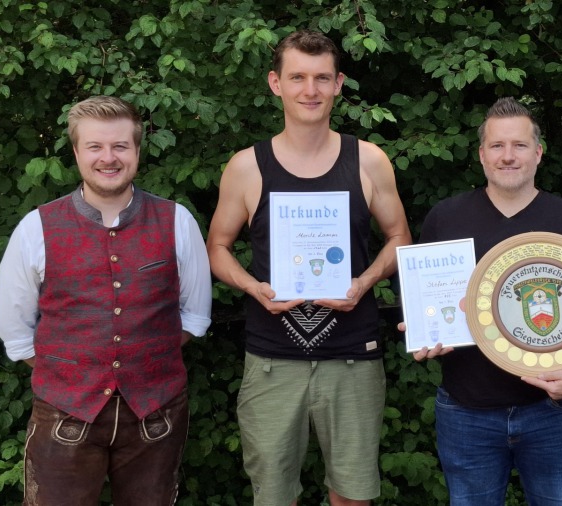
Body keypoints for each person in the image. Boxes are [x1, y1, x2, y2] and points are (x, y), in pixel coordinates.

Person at [206, 30, 411, 506]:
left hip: (353, 356)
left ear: (339, 84)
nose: (310, 90)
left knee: (353, 495)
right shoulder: (246, 167)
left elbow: (400, 237)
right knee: (274, 496)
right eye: (297, 77)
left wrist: (364, 281)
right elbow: (217, 246)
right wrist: (253, 287)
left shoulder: (369, 160)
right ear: (275, 83)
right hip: (272, 359)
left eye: (321, 78)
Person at [0, 95, 212, 505]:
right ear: (77, 152)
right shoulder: (36, 228)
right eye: (95, 146)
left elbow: (194, 317)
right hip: (63, 413)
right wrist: (71, 371)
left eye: (120, 146)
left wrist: (140, 363)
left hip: (156, 414)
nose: (108, 158)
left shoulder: (177, 221)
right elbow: (16, 333)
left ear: (137, 151)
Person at [411, 97, 562, 505]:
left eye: (519, 145)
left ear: (538, 153)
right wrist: (424, 328)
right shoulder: (445, 218)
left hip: (554, 411)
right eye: (497, 146)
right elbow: (424, 299)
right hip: (467, 410)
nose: (508, 156)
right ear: (482, 154)